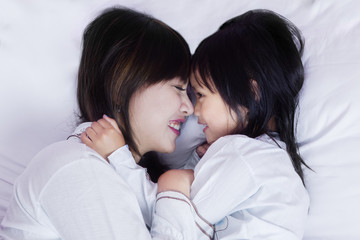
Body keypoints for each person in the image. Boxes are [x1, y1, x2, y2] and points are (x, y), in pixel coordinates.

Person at [82, 9, 310, 239]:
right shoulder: (270, 161)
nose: (194, 111)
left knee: (171, 181)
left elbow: (160, 213)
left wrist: (118, 158)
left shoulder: (242, 155)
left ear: (251, 93)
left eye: (201, 94)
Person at [0, 7, 213, 239]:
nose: (189, 108)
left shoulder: (126, 175)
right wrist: (176, 189)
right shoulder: (77, 167)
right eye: (179, 88)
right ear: (124, 83)